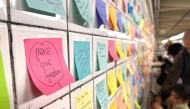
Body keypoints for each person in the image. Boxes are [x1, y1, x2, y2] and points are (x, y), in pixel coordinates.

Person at [156, 30, 190, 104]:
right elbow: (171, 79)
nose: (189, 51)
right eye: (187, 48)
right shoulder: (182, 56)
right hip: (187, 95)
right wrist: (161, 95)